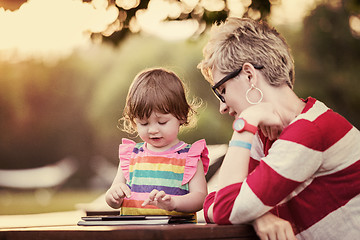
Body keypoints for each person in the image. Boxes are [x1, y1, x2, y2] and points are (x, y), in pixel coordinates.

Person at [197, 17, 360, 240]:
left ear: (249, 75)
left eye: (222, 90)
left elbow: (226, 206)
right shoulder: (265, 136)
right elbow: (215, 201)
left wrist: (246, 121)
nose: (222, 107)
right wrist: (257, 215)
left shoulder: (309, 131)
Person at [105, 68, 209, 220]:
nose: (153, 130)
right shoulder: (131, 155)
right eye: (144, 123)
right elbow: (113, 197)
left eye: (162, 122)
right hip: (133, 232)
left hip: (175, 233)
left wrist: (174, 202)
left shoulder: (189, 157)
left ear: (181, 116)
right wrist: (113, 196)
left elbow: (200, 198)